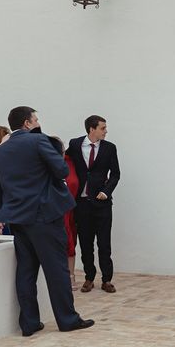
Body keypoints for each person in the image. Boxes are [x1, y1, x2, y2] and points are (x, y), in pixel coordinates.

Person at [0, 106, 93, 336]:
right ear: (27, 123)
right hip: (45, 216)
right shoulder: (37, 141)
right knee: (56, 270)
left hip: (18, 218)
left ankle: (29, 323)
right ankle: (67, 319)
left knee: (25, 271)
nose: (38, 123)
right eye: (36, 119)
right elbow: (61, 170)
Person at [67, 115, 120, 293]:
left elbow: (115, 174)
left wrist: (106, 191)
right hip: (81, 203)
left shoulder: (110, 148)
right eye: (103, 128)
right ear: (92, 129)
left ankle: (107, 279)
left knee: (104, 243)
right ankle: (89, 277)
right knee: (86, 242)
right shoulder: (74, 144)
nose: (106, 131)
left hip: (102, 203)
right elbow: (63, 162)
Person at [49, 136, 80, 291]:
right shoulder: (45, 165)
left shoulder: (70, 162)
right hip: (54, 211)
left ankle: (71, 276)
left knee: (70, 243)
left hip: (71, 210)